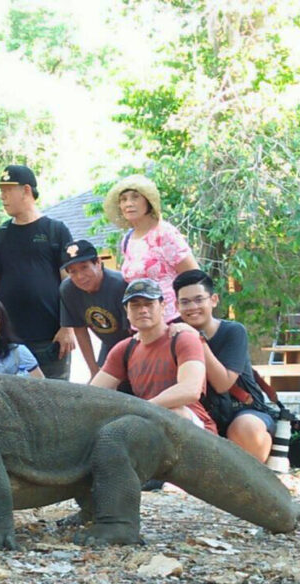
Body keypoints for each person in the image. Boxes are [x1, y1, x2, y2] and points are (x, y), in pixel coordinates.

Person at [0, 164, 75, 379]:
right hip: (9, 340)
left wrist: (68, 327)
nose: (2, 197)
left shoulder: (56, 230)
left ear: (26, 190)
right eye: (1, 191)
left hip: (51, 338)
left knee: (56, 395)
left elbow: (69, 282)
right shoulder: (1, 235)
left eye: (7, 190)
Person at [172, 269, 274, 462]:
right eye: (185, 302)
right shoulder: (174, 333)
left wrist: (198, 340)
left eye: (199, 299)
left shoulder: (234, 331)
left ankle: (252, 467)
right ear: (177, 305)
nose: (192, 307)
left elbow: (222, 384)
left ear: (214, 300)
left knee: (246, 428)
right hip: (200, 414)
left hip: (242, 411)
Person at [90, 278, 216, 435]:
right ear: (127, 311)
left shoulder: (183, 339)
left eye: (149, 304)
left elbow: (190, 390)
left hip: (193, 426)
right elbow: (92, 393)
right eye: (135, 305)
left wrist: (142, 409)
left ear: (162, 307)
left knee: (173, 414)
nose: (143, 310)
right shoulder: (124, 349)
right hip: (145, 423)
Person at [103, 174, 199, 323]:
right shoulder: (127, 239)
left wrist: (189, 320)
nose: (129, 203)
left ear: (148, 201)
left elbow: (194, 277)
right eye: (123, 199)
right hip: (142, 322)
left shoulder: (165, 233)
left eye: (135, 197)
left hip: (172, 320)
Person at [59, 239, 132, 379]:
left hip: (133, 342)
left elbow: (134, 331)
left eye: (84, 267)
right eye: (73, 272)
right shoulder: (68, 290)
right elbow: (80, 330)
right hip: (109, 346)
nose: (80, 276)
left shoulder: (120, 285)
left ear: (98, 262)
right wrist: (93, 370)